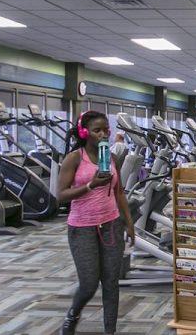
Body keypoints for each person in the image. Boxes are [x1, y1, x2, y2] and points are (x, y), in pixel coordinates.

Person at [56, 111, 134, 335]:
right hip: (82, 228)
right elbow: (60, 195)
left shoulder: (110, 157)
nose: (103, 135)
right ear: (84, 132)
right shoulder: (74, 158)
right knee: (89, 283)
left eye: (106, 130)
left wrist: (129, 223)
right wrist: (90, 185)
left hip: (111, 225)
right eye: (97, 130)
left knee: (111, 283)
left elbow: (119, 192)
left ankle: (110, 330)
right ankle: (73, 314)